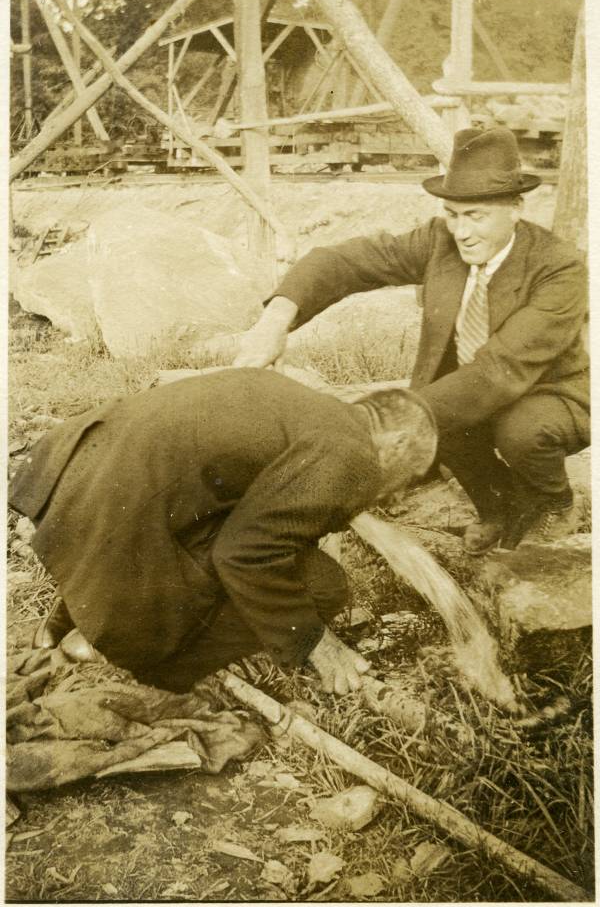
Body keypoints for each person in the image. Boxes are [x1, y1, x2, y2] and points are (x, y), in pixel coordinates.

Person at [235, 127, 590, 555]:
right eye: (453, 214)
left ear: (515, 208)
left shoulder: (560, 267)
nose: (462, 231)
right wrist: (276, 319)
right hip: (472, 390)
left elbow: (498, 371)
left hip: (550, 394)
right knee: (444, 415)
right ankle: (499, 508)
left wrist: (379, 419)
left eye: (476, 216)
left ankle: (554, 503)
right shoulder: (440, 241)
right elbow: (343, 262)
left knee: (520, 431)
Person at [9, 367, 437, 696]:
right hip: (111, 519)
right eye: (412, 476)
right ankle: (131, 653)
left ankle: (71, 614)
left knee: (209, 525)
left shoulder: (308, 407)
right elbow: (245, 553)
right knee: (323, 586)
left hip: (66, 474)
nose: (399, 494)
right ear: (397, 444)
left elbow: (259, 512)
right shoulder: (354, 453)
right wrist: (315, 642)